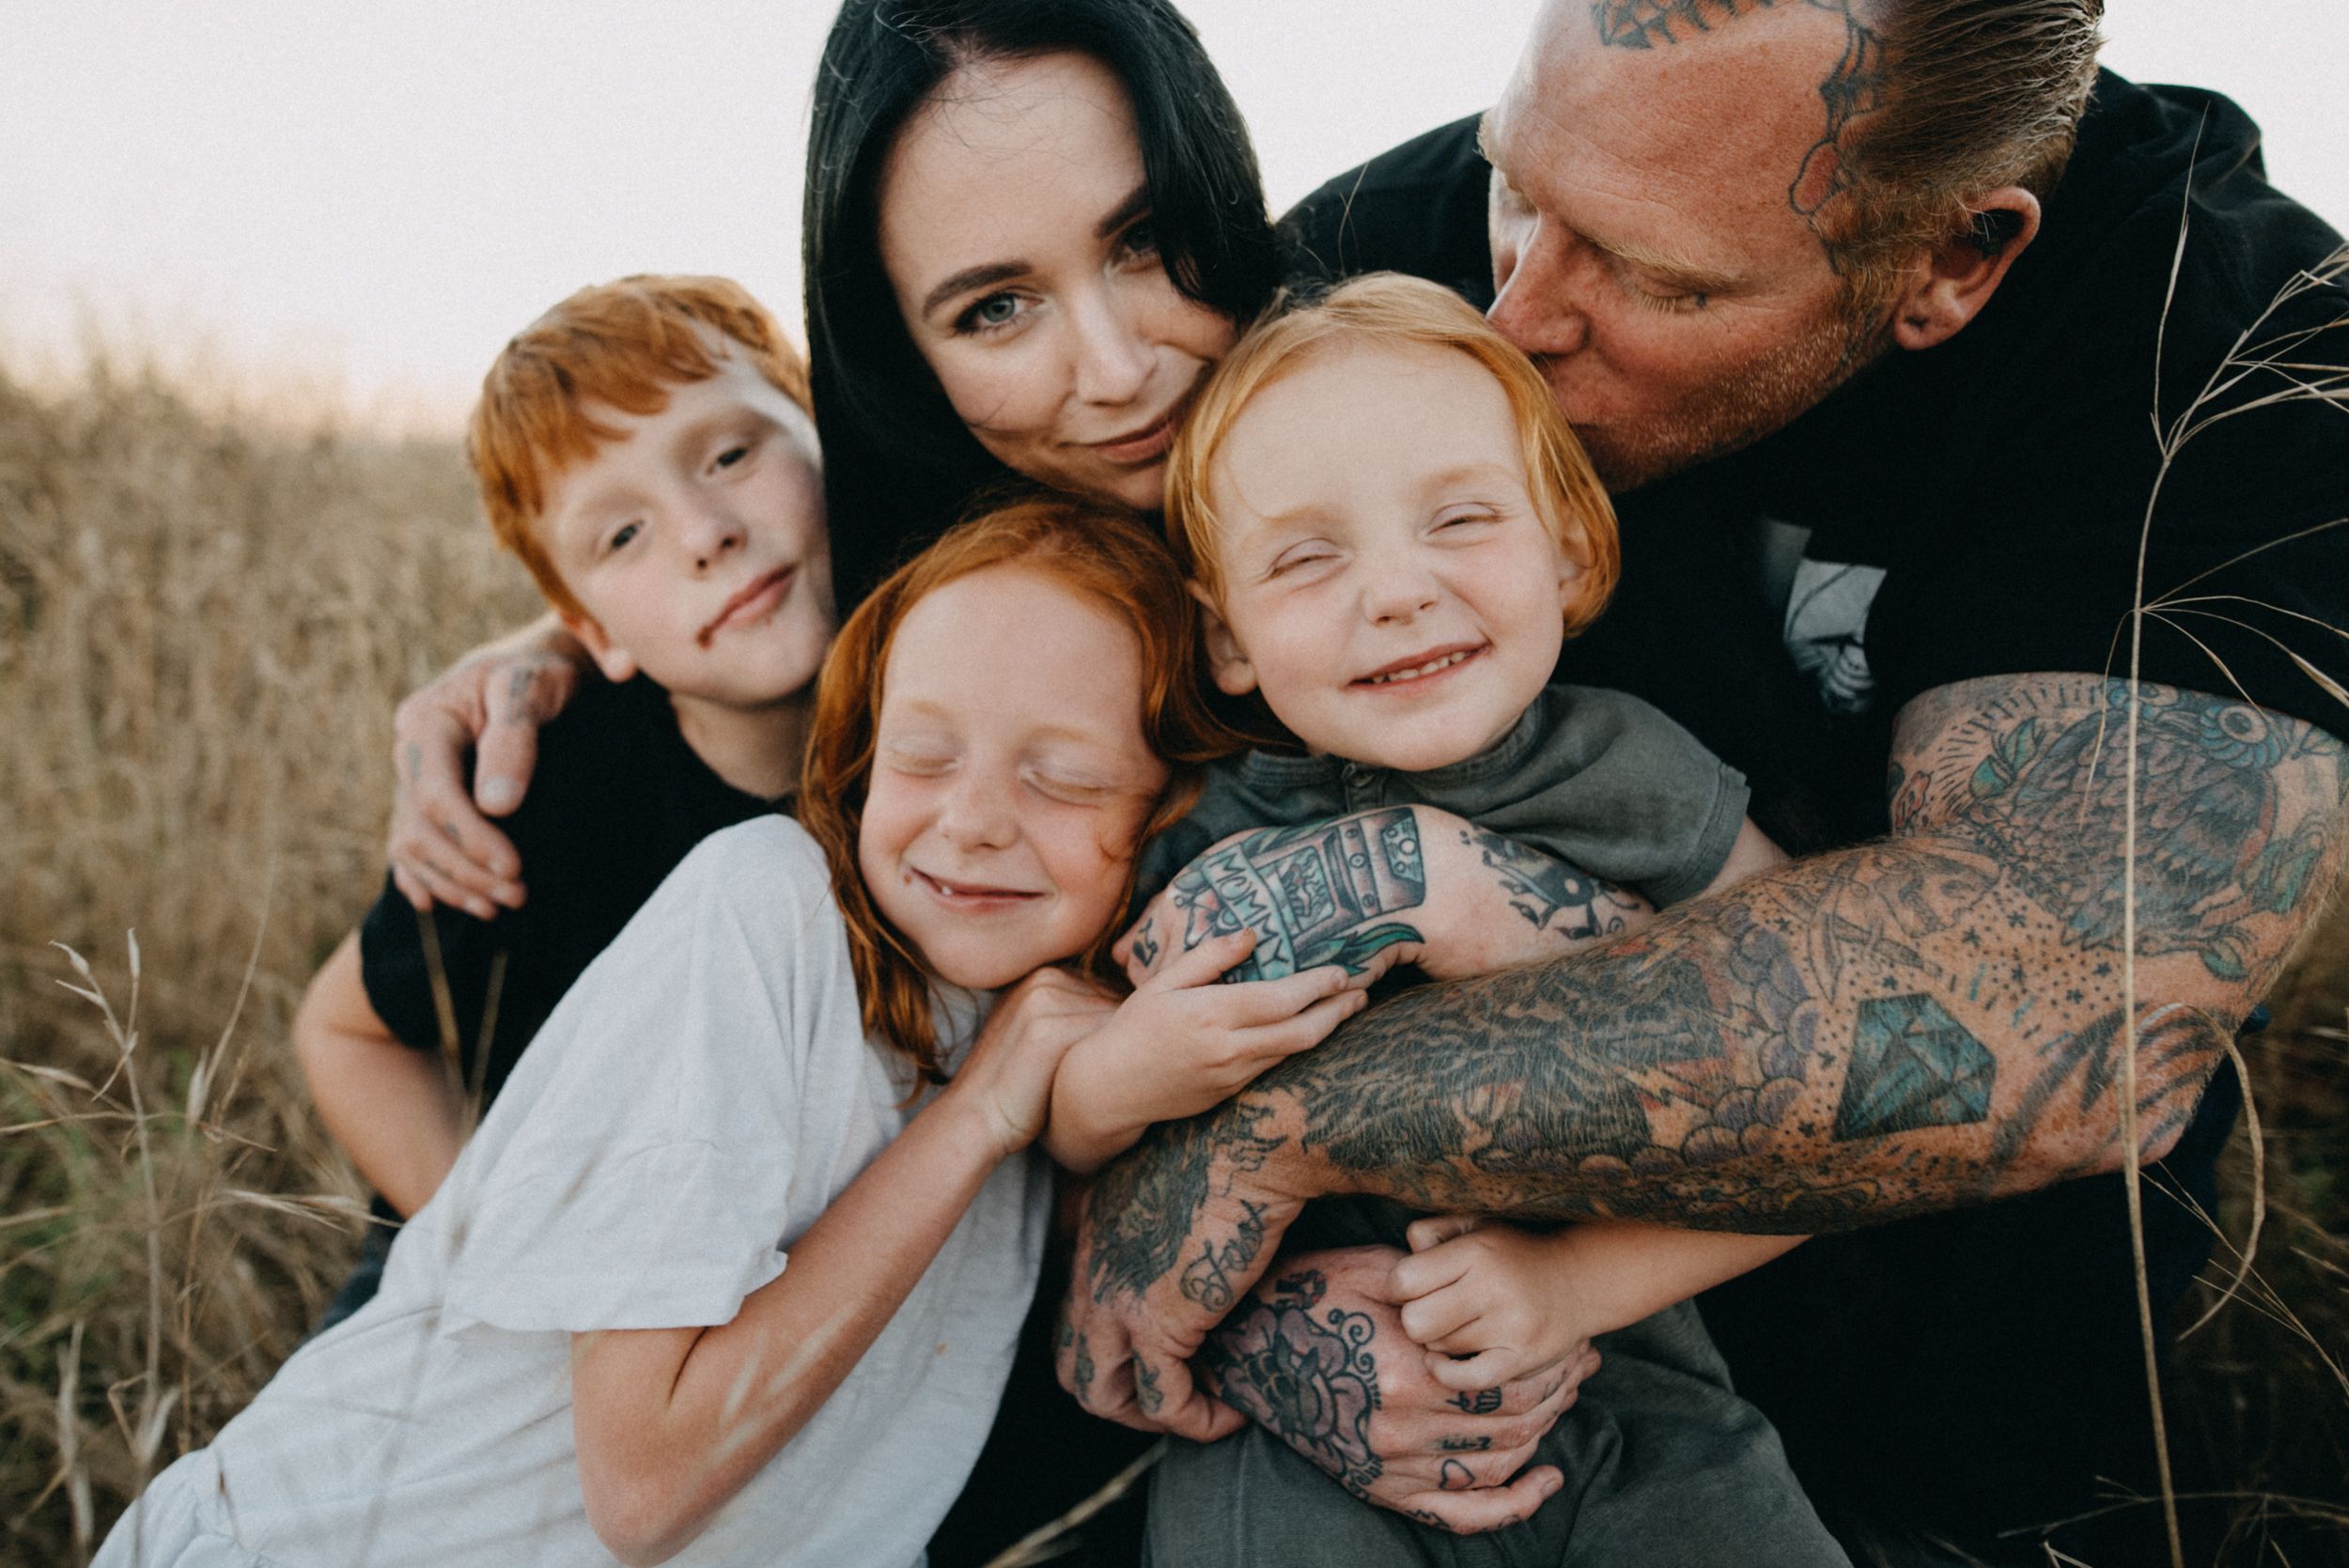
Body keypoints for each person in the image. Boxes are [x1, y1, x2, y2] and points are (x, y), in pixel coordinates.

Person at [1062, 1, 2349, 1560]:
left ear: (1955, 258)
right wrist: (1257, 1314)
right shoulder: (1386, 265)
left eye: (1659, 276)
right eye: (1515, 190)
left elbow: (2069, 1009)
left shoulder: (2238, 355)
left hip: (1926, 1429)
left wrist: (1266, 1128)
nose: (1518, 311)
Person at [101, 499, 1369, 1568]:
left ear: (1165, 802)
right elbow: (645, 1486)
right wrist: (984, 1110)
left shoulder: (1035, 1028)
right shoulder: (766, 913)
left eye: (1065, 778)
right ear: (859, 760)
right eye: (921, 759)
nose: (974, 821)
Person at [1112, 270, 1843, 1566]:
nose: (1394, 591)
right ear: (1224, 637)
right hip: (1291, 1454)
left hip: (1632, 1410)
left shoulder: (1630, 771)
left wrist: (1572, 1286)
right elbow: (1083, 1135)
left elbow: (1834, 1105)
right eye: (1305, 556)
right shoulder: (1196, 833)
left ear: (1567, 552)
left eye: (1458, 519)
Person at [292, 275, 836, 1331]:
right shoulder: (554, 794)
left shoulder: (953, 677)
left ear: (827, 437)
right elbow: (345, 1034)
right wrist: (510, 1267)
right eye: (622, 536)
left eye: (731, 455)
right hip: (506, 1259)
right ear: (592, 632)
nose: (703, 531)